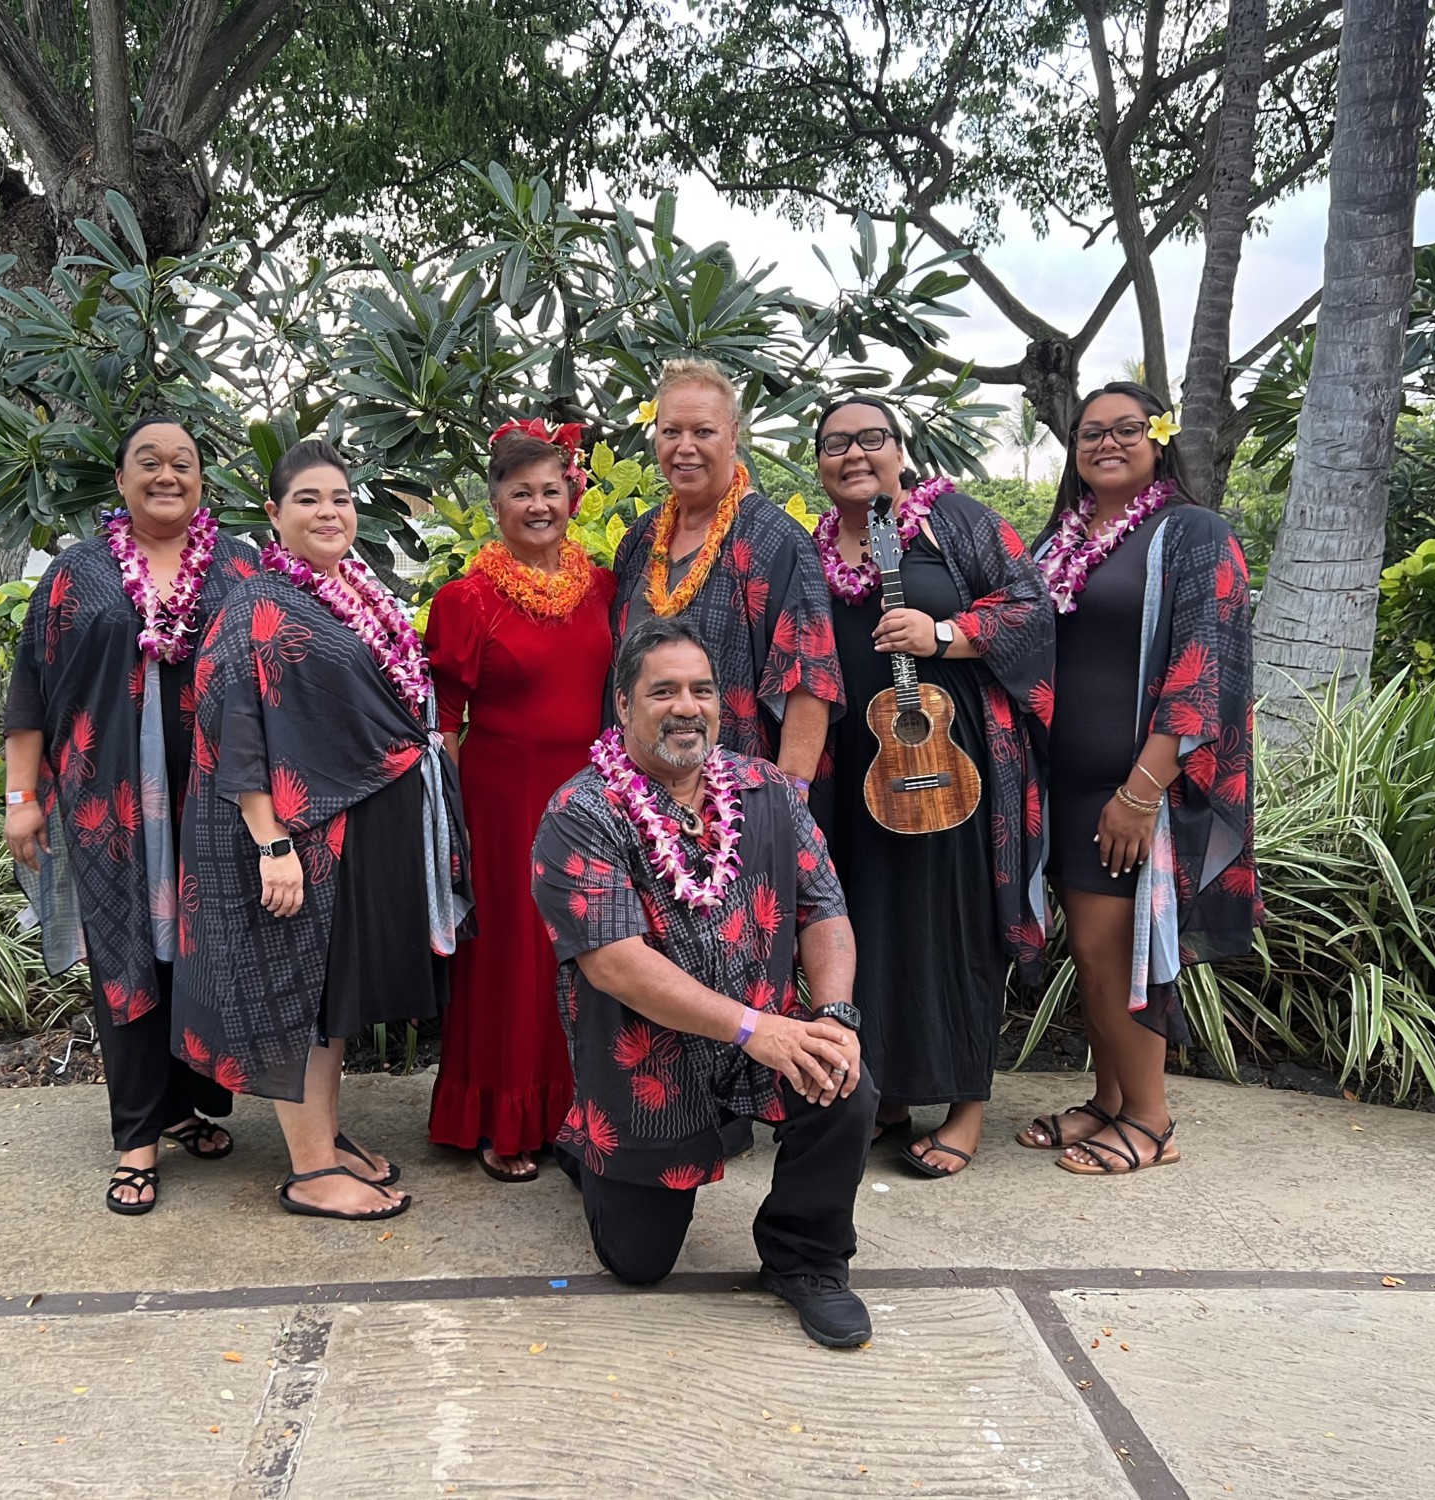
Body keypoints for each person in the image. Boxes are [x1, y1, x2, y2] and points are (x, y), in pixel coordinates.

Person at [531, 618, 875, 1348]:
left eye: (702, 690)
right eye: (664, 691)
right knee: (639, 1263)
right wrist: (754, 1029)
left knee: (846, 1083)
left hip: (768, 1025)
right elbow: (614, 962)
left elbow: (825, 908)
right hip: (648, 1061)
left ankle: (806, 1260)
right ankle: (586, 1148)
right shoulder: (581, 811)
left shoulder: (767, 790)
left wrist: (835, 1016)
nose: (687, 707)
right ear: (623, 704)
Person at [175, 439, 471, 1220]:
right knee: (296, 996)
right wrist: (271, 843)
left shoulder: (355, 589)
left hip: (345, 833)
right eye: (307, 499)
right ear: (273, 514)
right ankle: (310, 1172)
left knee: (329, 997)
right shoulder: (257, 603)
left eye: (339, 497)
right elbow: (232, 727)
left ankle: (327, 1139)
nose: (328, 512)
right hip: (291, 837)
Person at [4, 415, 256, 1216]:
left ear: (202, 481)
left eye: (183, 463)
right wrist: (20, 798)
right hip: (108, 804)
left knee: (201, 950)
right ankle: (137, 1139)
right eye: (148, 462)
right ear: (120, 481)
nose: (166, 474)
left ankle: (184, 1106)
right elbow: (30, 686)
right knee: (125, 957)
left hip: (216, 804)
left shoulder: (240, 565)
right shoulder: (77, 574)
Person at [809, 395, 1054, 1179]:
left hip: (946, 757)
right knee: (866, 925)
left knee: (955, 923)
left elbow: (1032, 608)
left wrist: (944, 634)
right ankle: (884, 1093)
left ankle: (966, 1103)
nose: (854, 454)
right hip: (854, 765)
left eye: (870, 438)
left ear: (901, 448)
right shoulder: (816, 547)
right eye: (835, 443)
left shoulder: (956, 521)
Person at [1021, 382, 1261, 1175]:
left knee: (1115, 952)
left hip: (1132, 788)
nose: (1107, 443)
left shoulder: (1191, 532)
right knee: (1092, 954)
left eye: (1127, 429)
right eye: (1091, 432)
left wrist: (1141, 791)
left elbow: (1201, 669)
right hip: (1062, 785)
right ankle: (1108, 1101)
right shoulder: (1060, 539)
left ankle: (1150, 1122)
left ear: (1160, 440)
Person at [425, 422, 613, 1183]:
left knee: (586, 948)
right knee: (513, 952)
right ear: (495, 505)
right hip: (503, 799)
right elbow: (443, 723)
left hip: (592, 795)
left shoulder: (604, 588)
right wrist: (452, 823)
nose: (539, 505)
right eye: (521, 493)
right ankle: (502, 1116)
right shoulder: (465, 600)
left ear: (572, 495)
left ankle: (579, 1112)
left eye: (550, 490)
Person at [610, 359, 843, 790]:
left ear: (733, 436)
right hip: (633, 787)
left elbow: (809, 680)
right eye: (671, 432)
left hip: (736, 796)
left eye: (703, 432)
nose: (685, 447)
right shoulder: (640, 539)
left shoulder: (776, 540)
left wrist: (788, 799)